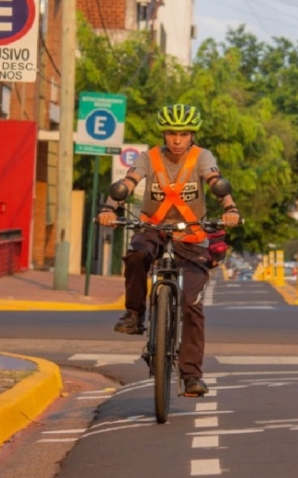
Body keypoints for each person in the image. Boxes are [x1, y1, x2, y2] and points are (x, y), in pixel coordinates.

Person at [97, 104, 241, 396]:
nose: (177, 140)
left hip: (192, 234)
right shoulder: (149, 158)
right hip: (153, 228)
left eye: (183, 134)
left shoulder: (202, 157)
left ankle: (191, 376)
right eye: (172, 133)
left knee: (192, 304)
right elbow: (128, 182)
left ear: (192, 135)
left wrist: (231, 210)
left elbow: (216, 182)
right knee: (136, 254)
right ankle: (134, 314)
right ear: (163, 134)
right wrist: (109, 209)